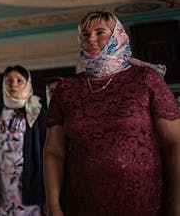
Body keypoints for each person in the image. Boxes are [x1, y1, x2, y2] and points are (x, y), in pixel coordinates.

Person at [44, 11, 180, 216]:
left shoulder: (146, 79)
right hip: (84, 203)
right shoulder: (66, 89)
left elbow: (175, 142)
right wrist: (53, 206)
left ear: (117, 36)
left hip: (144, 201)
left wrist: (177, 201)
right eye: (85, 34)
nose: (91, 38)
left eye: (100, 32)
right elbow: (54, 151)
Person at [0, 65, 46, 215]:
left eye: (19, 81)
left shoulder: (37, 112)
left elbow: (47, 156)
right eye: (9, 81)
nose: (13, 85)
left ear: (28, 84)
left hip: (31, 192)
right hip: (2, 192)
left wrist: (49, 198)